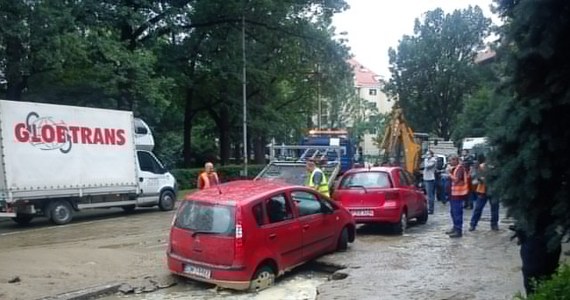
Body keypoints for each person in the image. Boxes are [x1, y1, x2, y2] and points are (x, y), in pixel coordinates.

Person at [469, 154, 499, 231]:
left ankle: (494, 224)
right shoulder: (481, 166)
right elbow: (475, 176)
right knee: (478, 208)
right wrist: (480, 178)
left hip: (493, 190)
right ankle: (473, 224)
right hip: (483, 190)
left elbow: (498, 176)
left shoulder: (497, 167)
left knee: (494, 209)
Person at [445, 154, 469, 238]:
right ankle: (455, 228)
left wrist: (449, 174)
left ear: (455, 160)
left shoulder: (460, 169)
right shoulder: (455, 168)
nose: (450, 162)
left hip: (458, 194)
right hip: (453, 194)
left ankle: (458, 230)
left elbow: (456, 180)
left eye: (451, 160)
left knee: (457, 212)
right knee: (453, 212)